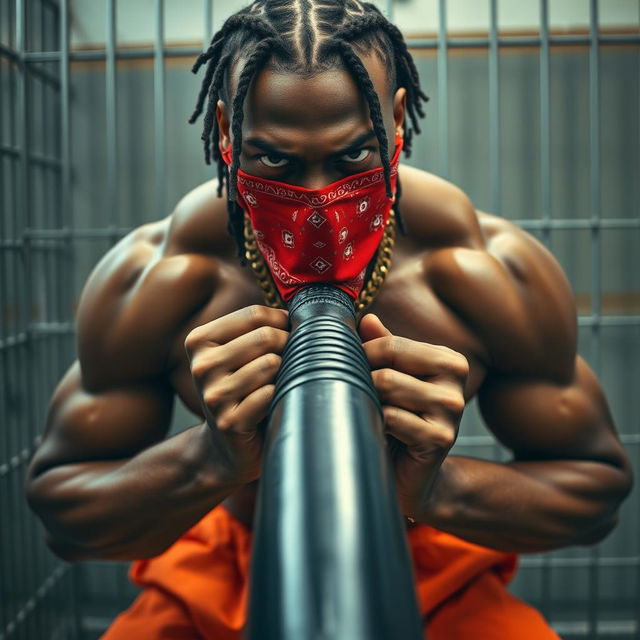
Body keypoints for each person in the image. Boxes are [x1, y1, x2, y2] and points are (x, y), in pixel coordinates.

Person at [26, 1, 632, 638]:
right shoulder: (166, 276)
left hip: (433, 575)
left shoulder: (481, 271)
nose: (318, 200)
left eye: (350, 160)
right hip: (222, 573)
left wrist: (434, 490)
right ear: (228, 132)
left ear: (395, 119)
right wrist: (209, 460)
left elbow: (595, 496)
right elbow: (63, 518)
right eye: (275, 162)